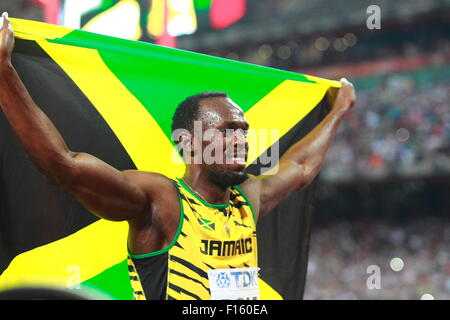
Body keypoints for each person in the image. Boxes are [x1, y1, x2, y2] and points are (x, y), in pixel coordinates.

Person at [0, 12, 355, 300]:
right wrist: (5, 75)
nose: (241, 140)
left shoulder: (248, 198)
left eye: (244, 131)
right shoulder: (162, 201)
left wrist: (338, 110)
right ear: (189, 143)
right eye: (227, 130)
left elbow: (302, 166)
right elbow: (64, 165)